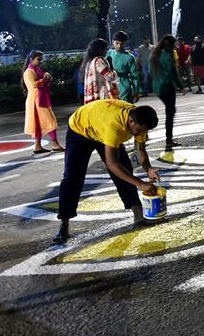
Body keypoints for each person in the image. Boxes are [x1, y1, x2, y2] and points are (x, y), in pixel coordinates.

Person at [53, 101, 160, 244]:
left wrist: (148, 169)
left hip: (101, 126)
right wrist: (141, 184)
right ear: (131, 120)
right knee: (73, 177)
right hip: (80, 129)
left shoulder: (140, 119)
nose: (141, 134)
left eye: (144, 131)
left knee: (125, 170)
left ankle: (139, 216)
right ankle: (63, 225)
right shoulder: (114, 126)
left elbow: (141, 150)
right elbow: (112, 164)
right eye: (140, 130)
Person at [22, 50, 63, 154]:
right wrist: (45, 78)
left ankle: (38, 146)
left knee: (38, 124)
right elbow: (34, 85)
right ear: (31, 59)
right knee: (50, 120)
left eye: (41, 59)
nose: (41, 61)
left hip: (38, 99)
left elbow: (44, 83)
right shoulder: (29, 72)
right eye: (38, 59)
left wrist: (46, 77)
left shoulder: (36, 70)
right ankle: (55, 144)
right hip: (36, 100)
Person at [152, 34, 184, 149]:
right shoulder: (168, 56)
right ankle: (169, 140)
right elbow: (174, 74)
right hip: (167, 87)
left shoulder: (155, 54)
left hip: (157, 88)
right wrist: (181, 86)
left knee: (169, 111)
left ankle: (169, 139)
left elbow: (151, 73)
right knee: (170, 113)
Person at [106, 31, 141, 103]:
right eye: (117, 43)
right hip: (110, 89)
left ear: (125, 43)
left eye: (121, 44)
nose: (119, 46)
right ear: (113, 42)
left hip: (124, 89)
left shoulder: (129, 57)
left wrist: (136, 92)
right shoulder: (108, 54)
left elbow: (134, 76)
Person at [82, 38, 119, 104]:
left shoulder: (90, 61)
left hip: (93, 99)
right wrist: (112, 68)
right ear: (100, 49)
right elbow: (110, 77)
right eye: (105, 49)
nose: (107, 51)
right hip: (102, 96)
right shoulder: (99, 60)